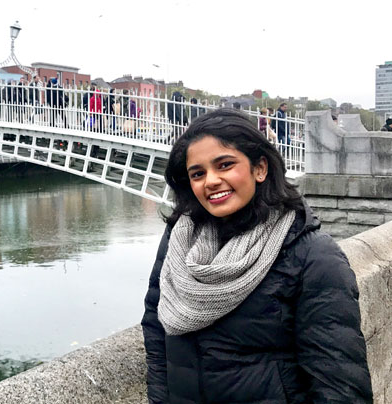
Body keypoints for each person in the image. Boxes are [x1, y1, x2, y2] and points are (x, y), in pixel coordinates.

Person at [142, 108, 372, 403]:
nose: (210, 181)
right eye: (197, 173)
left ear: (260, 168)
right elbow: (155, 330)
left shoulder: (312, 256)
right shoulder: (179, 241)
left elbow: (339, 385)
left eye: (224, 165)